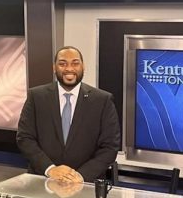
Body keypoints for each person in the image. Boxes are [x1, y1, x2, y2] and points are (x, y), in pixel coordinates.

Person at [17, 46, 120, 183]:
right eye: (62, 63)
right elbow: (25, 138)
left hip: (85, 184)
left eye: (75, 63)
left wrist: (80, 176)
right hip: (42, 180)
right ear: (54, 67)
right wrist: (50, 169)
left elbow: (110, 146)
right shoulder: (36, 97)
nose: (69, 69)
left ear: (83, 67)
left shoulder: (103, 100)